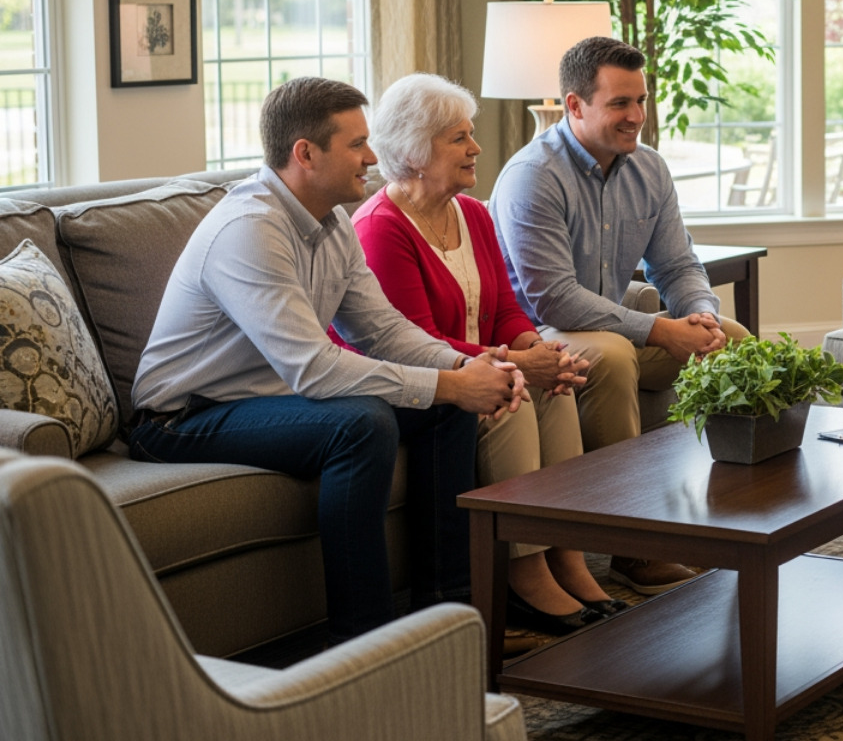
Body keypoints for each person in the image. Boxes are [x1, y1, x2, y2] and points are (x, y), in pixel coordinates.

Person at [131, 77, 527, 645]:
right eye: (357, 144)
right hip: (181, 419)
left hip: (268, 398)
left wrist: (464, 371)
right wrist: (448, 382)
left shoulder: (332, 221)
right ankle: (365, 643)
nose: (373, 157)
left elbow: (383, 329)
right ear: (306, 153)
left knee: (444, 407)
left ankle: (449, 619)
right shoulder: (250, 230)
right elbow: (314, 369)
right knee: (363, 423)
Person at [347, 72, 625, 633]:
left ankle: (567, 557)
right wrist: (519, 366)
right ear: (416, 153)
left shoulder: (473, 213)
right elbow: (418, 342)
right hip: (420, 384)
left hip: (482, 363)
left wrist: (538, 350)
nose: (476, 147)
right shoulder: (380, 229)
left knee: (555, 391)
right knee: (512, 399)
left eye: (470, 134)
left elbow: (504, 310)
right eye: (459, 138)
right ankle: (523, 574)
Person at [490, 35, 749, 595]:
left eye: (641, 100)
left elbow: (677, 264)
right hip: (538, 336)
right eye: (619, 104)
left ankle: (728, 521)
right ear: (575, 105)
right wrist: (660, 329)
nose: (636, 116)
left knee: (732, 338)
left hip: (609, 321)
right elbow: (553, 298)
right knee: (610, 357)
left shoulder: (648, 169)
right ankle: (633, 547)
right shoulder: (533, 175)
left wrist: (701, 317)